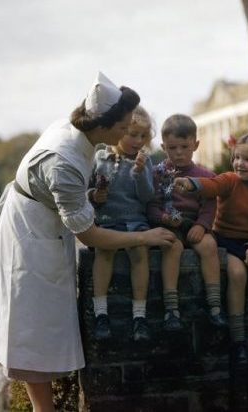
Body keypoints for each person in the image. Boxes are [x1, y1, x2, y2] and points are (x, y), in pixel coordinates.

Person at [0, 72, 176, 411]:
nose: (128, 132)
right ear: (105, 127)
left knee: (46, 323)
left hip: (44, 220)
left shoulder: (76, 134)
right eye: (124, 126)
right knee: (31, 323)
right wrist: (144, 236)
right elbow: (89, 234)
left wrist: (89, 196)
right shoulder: (64, 160)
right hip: (30, 231)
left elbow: (69, 197)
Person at [174, 129, 248, 367]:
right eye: (236, 158)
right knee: (237, 273)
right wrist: (191, 184)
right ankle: (238, 340)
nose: (239, 164)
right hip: (227, 242)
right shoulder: (230, 180)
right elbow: (211, 185)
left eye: (247, 159)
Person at [147, 114, 227, 332]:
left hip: (194, 225)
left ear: (196, 145)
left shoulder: (205, 176)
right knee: (172, 246)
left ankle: (215, 305)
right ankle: (171, 308)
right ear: (163, 147)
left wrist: (202, 225)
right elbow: (152, 205)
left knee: (209, 245)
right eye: (173, 148)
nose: (179, 152)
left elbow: (210, 206)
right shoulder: (156, 174)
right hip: (168, 224)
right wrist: (162, 218)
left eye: (185, 146)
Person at [88, 105, 155, 343]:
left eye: (142, 136)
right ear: (119, 132)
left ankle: (139, 315)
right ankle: (101, 313)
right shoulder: (99, 157)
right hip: (108, 221)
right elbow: (89, 192)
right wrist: (95, 196)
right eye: (133, 135)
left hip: (135, 221)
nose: (138, 141)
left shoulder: (144, 162)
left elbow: (147, 197)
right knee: (104, 253)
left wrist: (139, 174)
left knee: (139, 254)